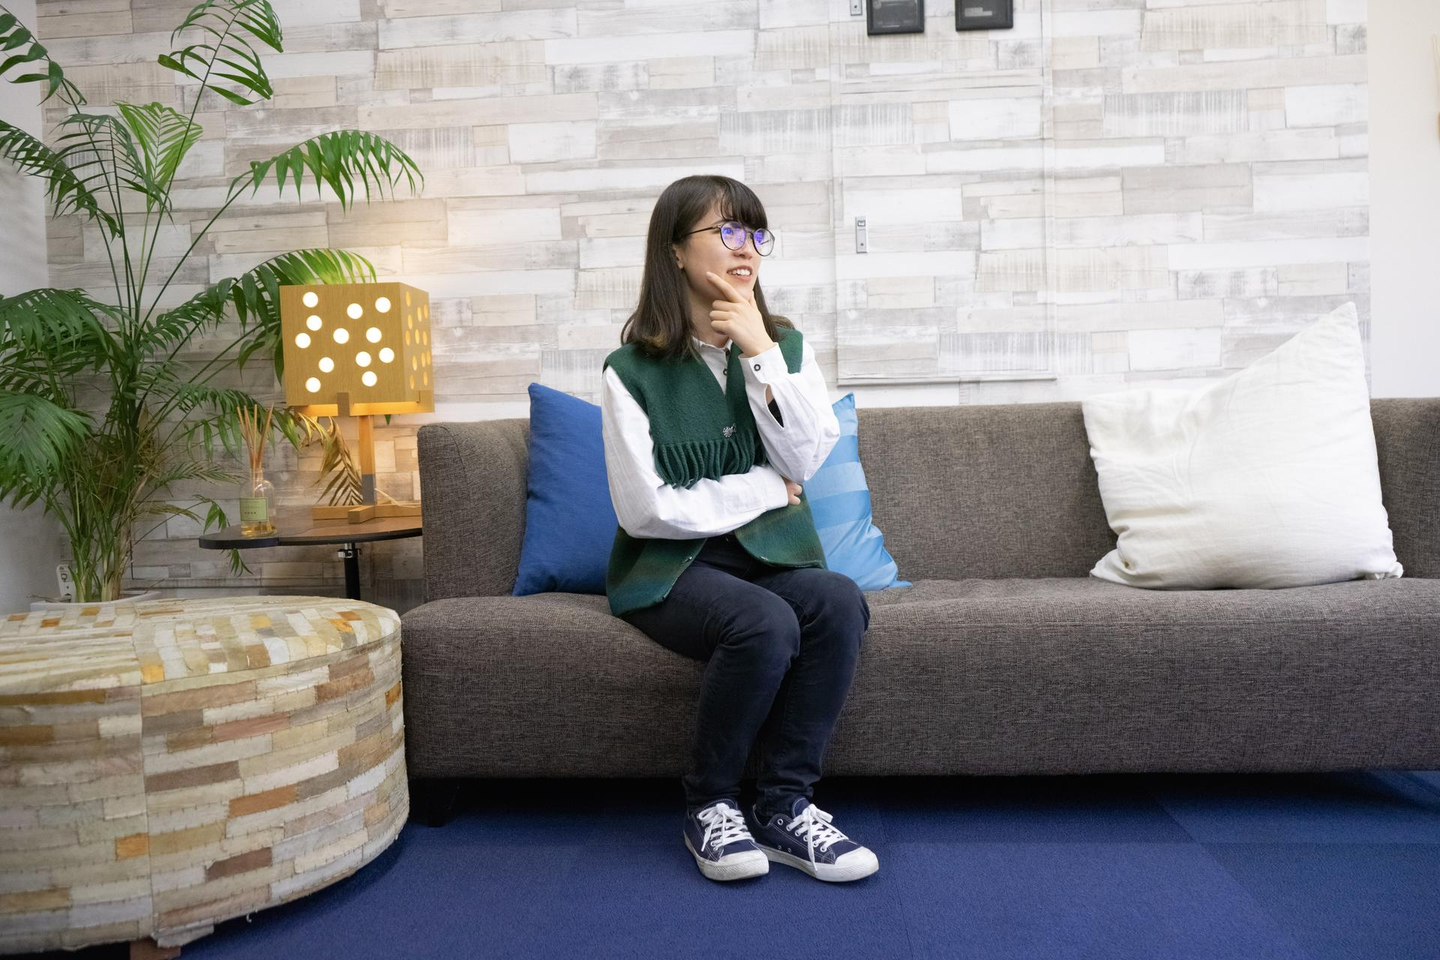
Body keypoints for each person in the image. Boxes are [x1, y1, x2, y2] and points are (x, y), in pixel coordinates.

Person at [600, 174, 877, 884]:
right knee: (763, 622)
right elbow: (645, 509)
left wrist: (759, 355)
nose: (745, 248)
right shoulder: (630, 370)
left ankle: (785, 806)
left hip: (772, 557)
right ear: (674, 249)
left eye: (754, 233)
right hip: (672, 569)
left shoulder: (785, 345)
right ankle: (710, 804)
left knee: (838, 600)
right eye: (726, 231)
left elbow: (804, 458)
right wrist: (762, 488)